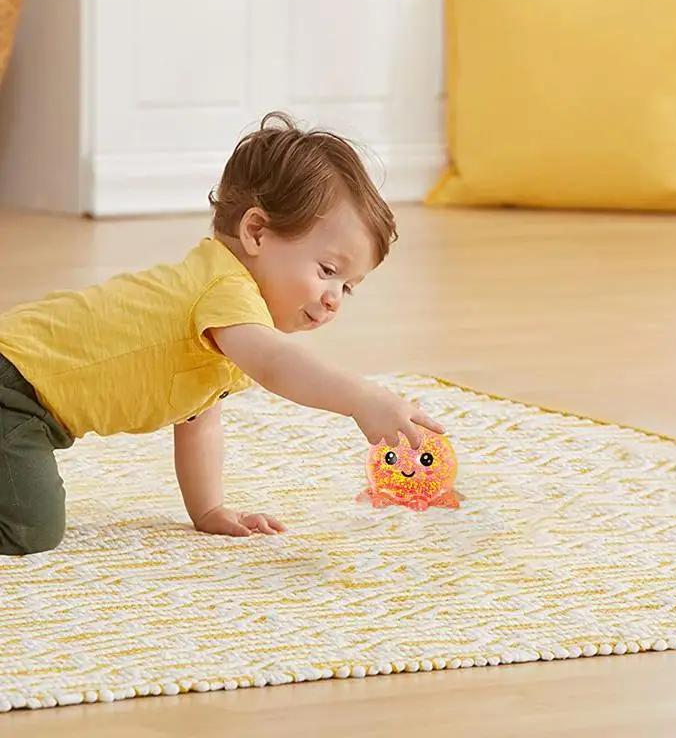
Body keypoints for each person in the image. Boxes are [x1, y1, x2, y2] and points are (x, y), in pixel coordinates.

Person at [0, 112, 444, 556]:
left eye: (347, 286)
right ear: (256, 232)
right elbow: (277, 364)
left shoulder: (220, 318)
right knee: (30, 526)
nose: (334, 299)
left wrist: (208, 510)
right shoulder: (225, 291)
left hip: (28, 402)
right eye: (327, 271)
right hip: (14, 392)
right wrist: (362, 399)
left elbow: (197, 420)